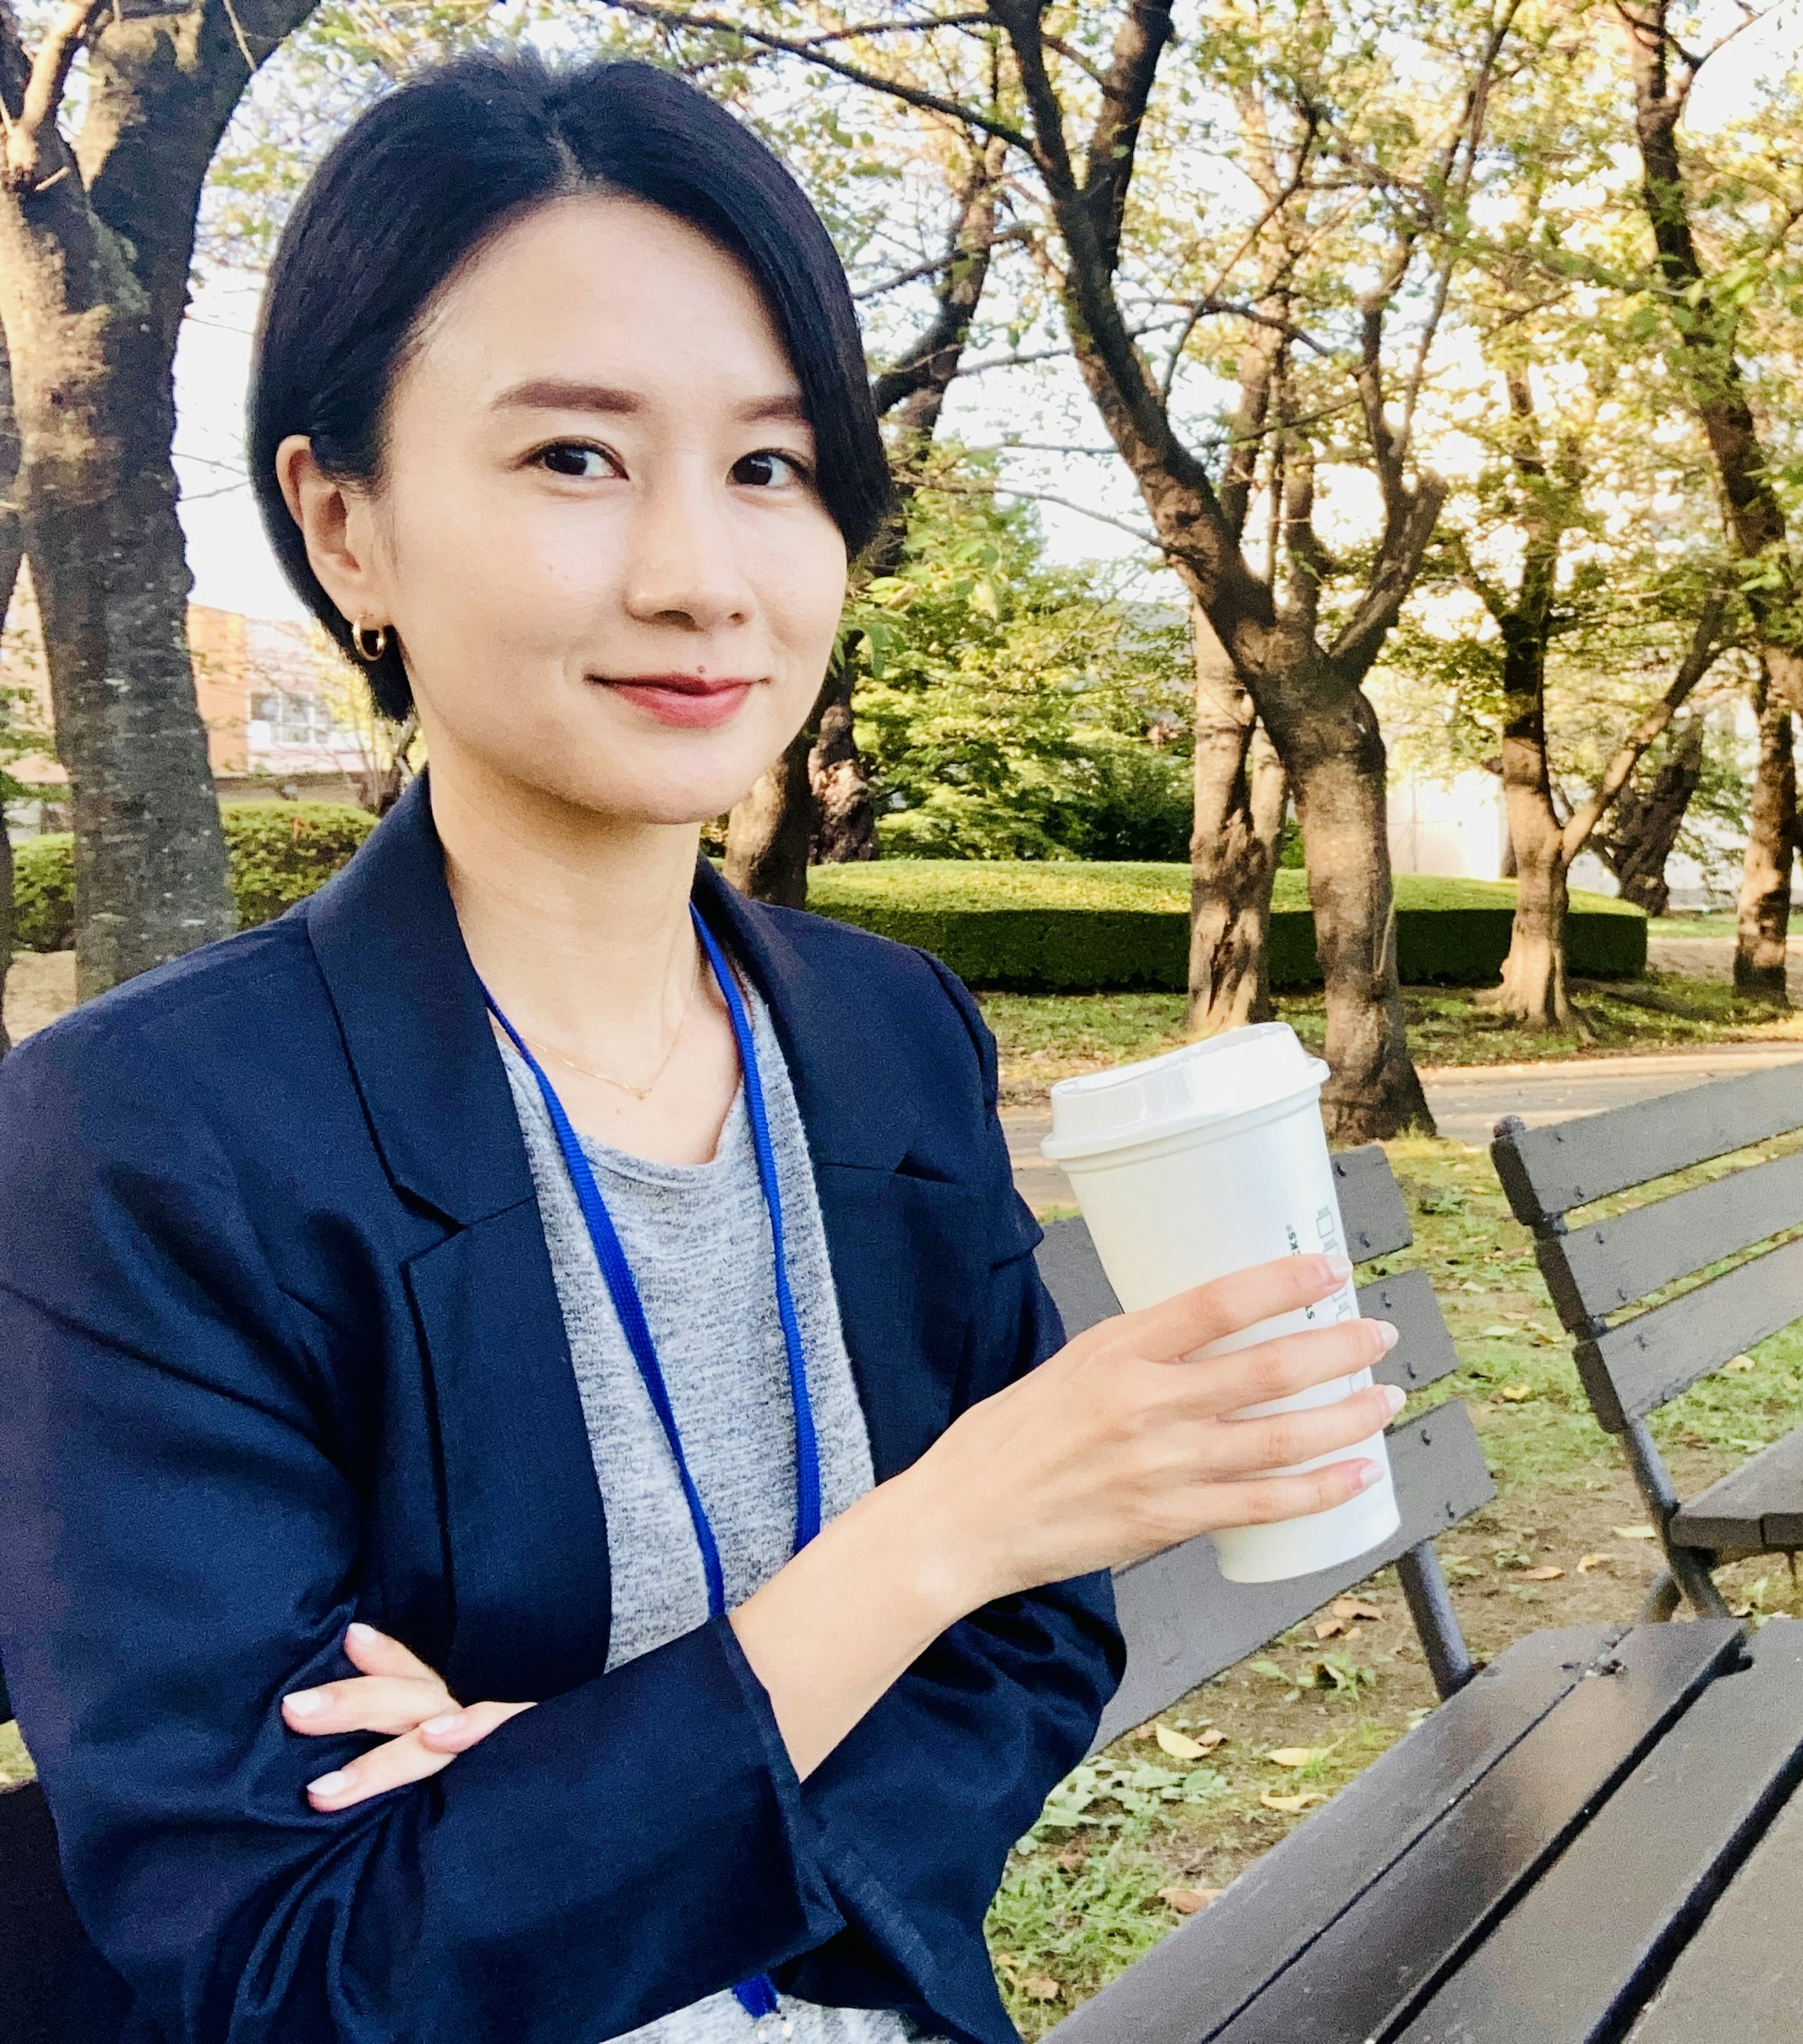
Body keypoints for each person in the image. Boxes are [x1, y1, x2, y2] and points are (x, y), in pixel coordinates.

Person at [0, 53, 1396, 2044]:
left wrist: (562, 1798)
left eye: (772, 467)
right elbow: (293, 1971)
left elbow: (1026, 1661)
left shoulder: (886, 1036)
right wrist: (927, 1542)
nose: (700, 574)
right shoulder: (149, 1140)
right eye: (575, 458)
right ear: (345, 526)